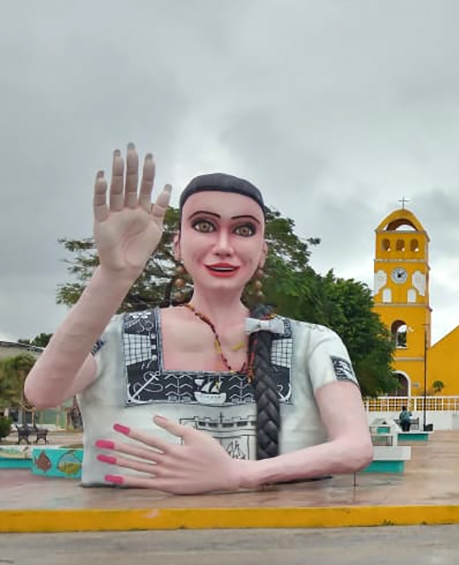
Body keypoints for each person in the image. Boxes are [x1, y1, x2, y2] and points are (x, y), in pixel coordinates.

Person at [23, 144, 373, 495]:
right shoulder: (116, 335)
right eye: (204, 225)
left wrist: (238, 474)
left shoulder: (314, 342)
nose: (223, 245)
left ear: (262, 252)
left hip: (281, 544)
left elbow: (356, 446)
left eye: (244, 230)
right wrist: (114, 274)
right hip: (127, 543)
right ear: (176, 245)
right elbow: (42, 391)